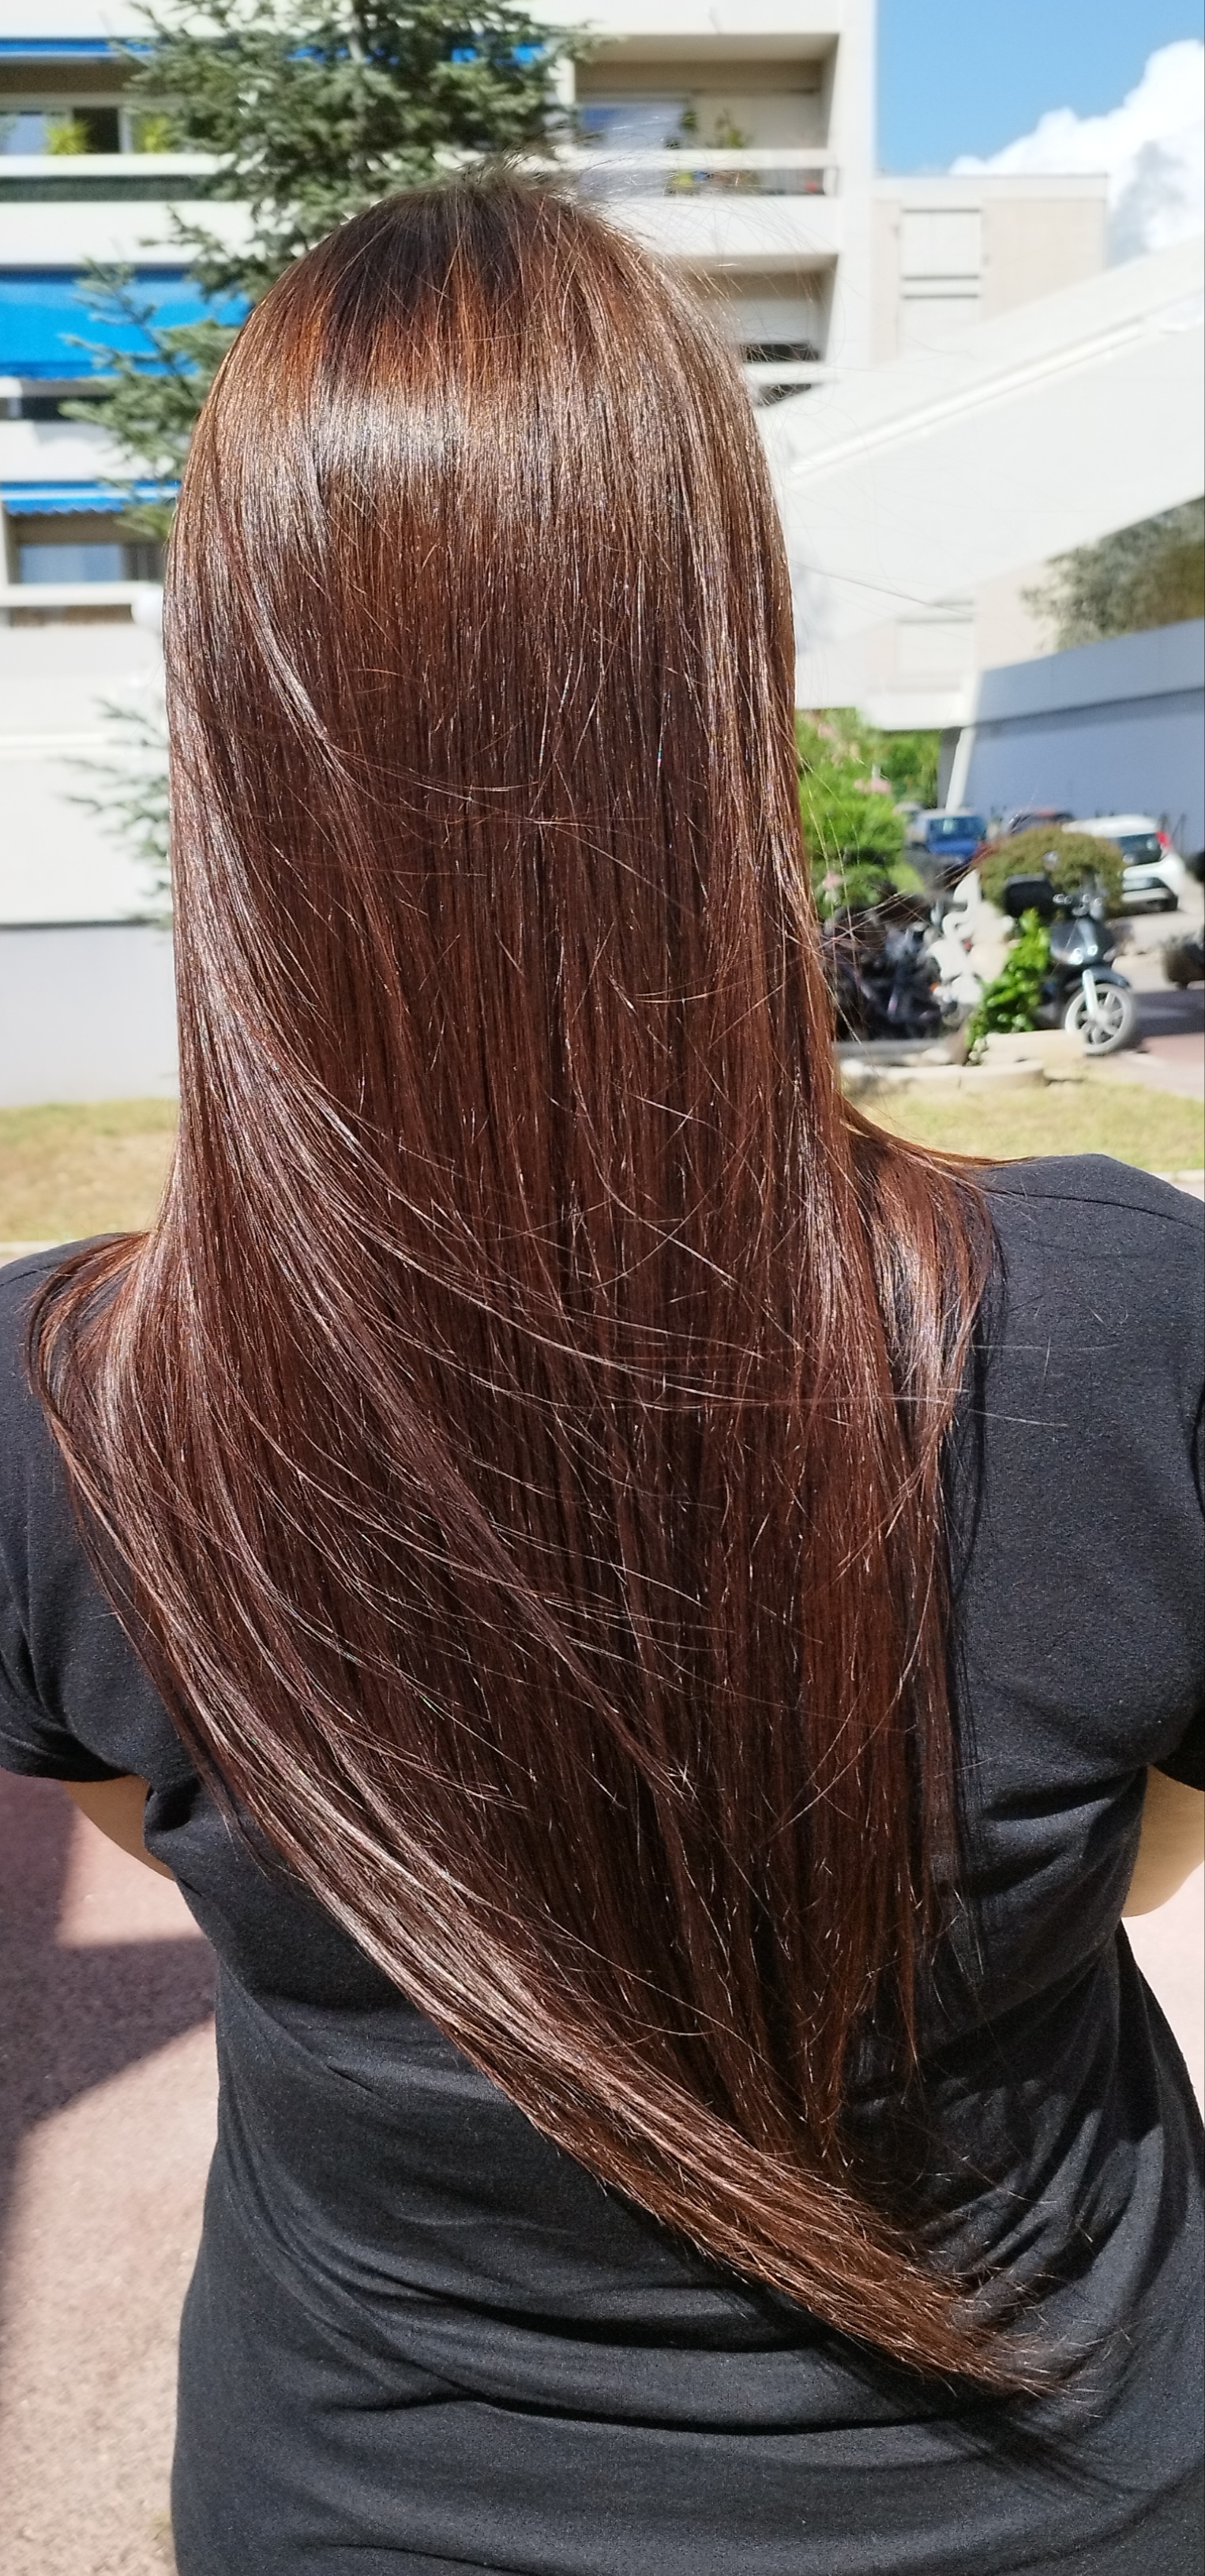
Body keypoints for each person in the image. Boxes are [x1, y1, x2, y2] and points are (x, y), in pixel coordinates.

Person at [0, 178, 1201, 2576]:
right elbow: (1137, 1855)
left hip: (361, 2505)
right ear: (721, 670)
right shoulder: (1122, 1327)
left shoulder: (68, 1417)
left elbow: (197, 1851)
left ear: (237, 709)